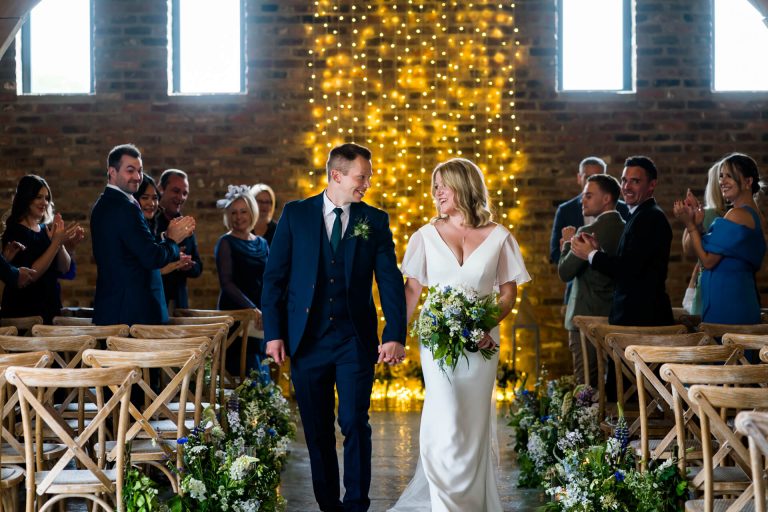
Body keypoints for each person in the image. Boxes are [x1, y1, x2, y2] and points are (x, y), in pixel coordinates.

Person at [262, 143, 406, 512]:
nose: (367, 184)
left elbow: (389, 280)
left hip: (354, 339)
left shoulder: (373, 220)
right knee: (317, 427)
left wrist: (393, 333)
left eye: (368, 176)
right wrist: (274, 333)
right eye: (362, 177)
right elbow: (274, 279)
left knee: (355, 421)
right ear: (337, 176)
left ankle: (357, 504)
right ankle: (329, 504)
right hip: (306, 340)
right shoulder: (296, 215)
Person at [391, 158, 530, 512]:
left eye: (443, 185)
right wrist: (396, 336)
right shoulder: (423, 236)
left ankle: (471, 503)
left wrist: (485, 325)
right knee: (446, 418)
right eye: (434, 186)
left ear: (464, 187)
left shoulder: (499, 237)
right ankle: (445, 503)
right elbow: (412, 292)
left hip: (482, 348)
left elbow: (508, 295)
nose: (436, 193)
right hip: (436, 343)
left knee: (472, 424)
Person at [91, 144, 195, 326]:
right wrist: (172, 240)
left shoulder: (103, 204)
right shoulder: (124, 208)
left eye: (139, 171)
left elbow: (133, 251)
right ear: (112, 172)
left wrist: (163, 239)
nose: (137, 177)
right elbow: (151, 258)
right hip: (131, 313)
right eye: (130, 170)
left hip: (116, 309)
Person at [570, 156, 674, 326]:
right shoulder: (639, 215)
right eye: (624, 180)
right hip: (635, 317)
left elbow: (628, 270)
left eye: (635, 181)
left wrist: (591, 254)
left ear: (652, 184)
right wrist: (599, 251)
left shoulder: (650, 218)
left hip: (643, 318)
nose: (626, 187)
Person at [673, 153, 765, 324]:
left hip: (727, 304)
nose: (722, 181)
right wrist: (698, 225)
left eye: (729, 176)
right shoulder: (755, 214)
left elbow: (707, 261)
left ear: (748, 182)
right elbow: (710, 250)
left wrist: (690, 225)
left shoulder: (737, 214)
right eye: (721, 176)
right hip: (738, 299)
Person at [558, 174, 625, 386]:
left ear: (606, 199)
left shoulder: (587, 232)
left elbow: (565, 272)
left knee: (587, 382)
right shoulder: (626, 229)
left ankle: (589, 420)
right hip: (615, 316)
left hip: (585, 317)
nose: (582, 200)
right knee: (615, 382)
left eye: (588, 195)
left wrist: (568, 244)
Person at [1, 175, 83, 323]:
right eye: (39, 197)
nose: (44, 203)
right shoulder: (15, 231)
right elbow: (31, 274)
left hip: (49, 309)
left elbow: (64, 268)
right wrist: (56, 243)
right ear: (26, 198)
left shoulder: (46, 229)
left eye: (46, 198)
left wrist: (62, 245)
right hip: (23, 312)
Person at [549, 157, 629, 303]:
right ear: (579, 178)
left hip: (614, 299)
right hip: (577, 294)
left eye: (597, 176)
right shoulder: (566, 210)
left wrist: (569, 244)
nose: (591, 181)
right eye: (587, 177)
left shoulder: (624, 210)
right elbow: (555, 253)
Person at [214, 184, 268, 375]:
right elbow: (227, 284)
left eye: (243, 211)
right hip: (236, 315)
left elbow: (269, 280)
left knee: (261, 368)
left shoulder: (262, 243)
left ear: (252, 212)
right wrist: (251, 310)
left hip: (260, 316)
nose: (238, 217)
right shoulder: (225, 243)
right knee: (240, 371)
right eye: (234, 213)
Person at [680, 161, 727, 315]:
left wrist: (691, 220)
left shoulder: (710, 215)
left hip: (710, 290)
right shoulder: (748, 213)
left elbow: (688, 250)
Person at [156, 169, 202, 309]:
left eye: (185, 193)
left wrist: (189, 265)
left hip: (179, 304)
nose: (181, 197)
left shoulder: (185, 225)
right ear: (161, 189)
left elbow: (199, 268)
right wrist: (174, 256)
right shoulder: (151, 223)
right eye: (176, 191)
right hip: (155, 300)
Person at [134, 174, 187, 277]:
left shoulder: (149, 224)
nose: (152, 203)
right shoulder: (131, 228)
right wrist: (160, 270)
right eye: (145, 198)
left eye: (155, 198)